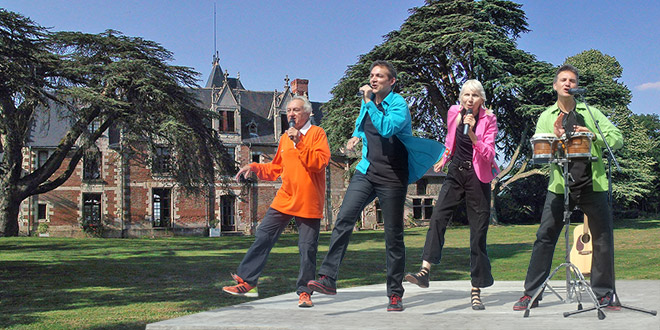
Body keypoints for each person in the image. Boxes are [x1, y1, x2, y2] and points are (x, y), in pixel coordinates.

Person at [307, 60, 445, 312]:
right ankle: (328, 278)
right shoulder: (367, 102)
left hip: (393, 176)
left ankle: (395, 294)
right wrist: (356, 136)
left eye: (379, 76)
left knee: (393, 236)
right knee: (344, 219)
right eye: (371, 75)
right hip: (367, 172)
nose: (373, 79)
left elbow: (386, 128)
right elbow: (363, 122)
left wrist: (370, 102)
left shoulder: (398, 104)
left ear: (391, 81)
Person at [513, 64, 623, 311]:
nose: (567, 83)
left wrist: (592, 134)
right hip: (561, 185)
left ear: (577, 86)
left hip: (592, 183)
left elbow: (617, 138)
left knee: (603, 238)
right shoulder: (546, 116)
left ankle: (605, 294)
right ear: (555, 86)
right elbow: (541, 151)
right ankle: (531, 294)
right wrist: (556, 137)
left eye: (572, 80)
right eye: (563, 79)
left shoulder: (592, 112)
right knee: (544, 237)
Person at [222, 96, 331, 308]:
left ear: (307, 113)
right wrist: (254, 167)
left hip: (309, 200)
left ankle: (305, 292)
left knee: (307, 249)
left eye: (296, 110)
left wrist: (299, 140)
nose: (291, 114)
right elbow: (276, 169)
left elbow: (319, 163)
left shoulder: (317, 134)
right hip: (285, 198)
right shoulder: (284, 138)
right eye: (289, 110)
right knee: (263, 236)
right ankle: (247, 281)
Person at [405, 79, 499, 310]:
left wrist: (475, 136)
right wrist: (444, 158)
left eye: (474, 95)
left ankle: (476, 288)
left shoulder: (489, 119)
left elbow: (489, 154)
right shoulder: (454, 112)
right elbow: (451, 139)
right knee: (437, 218)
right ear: (461, 98)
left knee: (478, 233)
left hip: (478, 177)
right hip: (456, 172)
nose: (469, 99)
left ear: (481, 99)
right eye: (466, 95)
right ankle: (425, 271)